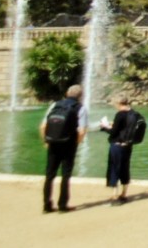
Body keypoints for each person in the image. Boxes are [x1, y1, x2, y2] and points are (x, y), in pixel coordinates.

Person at [40, 84, 87, 213]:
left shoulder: (55, 105)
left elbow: (43, 126)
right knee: (66, 175)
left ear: (67, 93)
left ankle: (46, 205)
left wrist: (46, 141)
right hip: (69, 145)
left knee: (49, 175)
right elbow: (82, 131)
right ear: (80, 96)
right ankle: (62, 205)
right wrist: (76, 143)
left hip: (53, 143)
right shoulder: (80, 108)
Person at [100, 95, 134, 205]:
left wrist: (104, 127)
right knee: (125, 167)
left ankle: (115, 195)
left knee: (114, 168)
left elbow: (114, 132)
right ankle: (124, 194)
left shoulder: (120, 114)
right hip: (128, 145)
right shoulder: (133, 113)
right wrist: (113, 125)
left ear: (119, 104)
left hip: (117, 145)